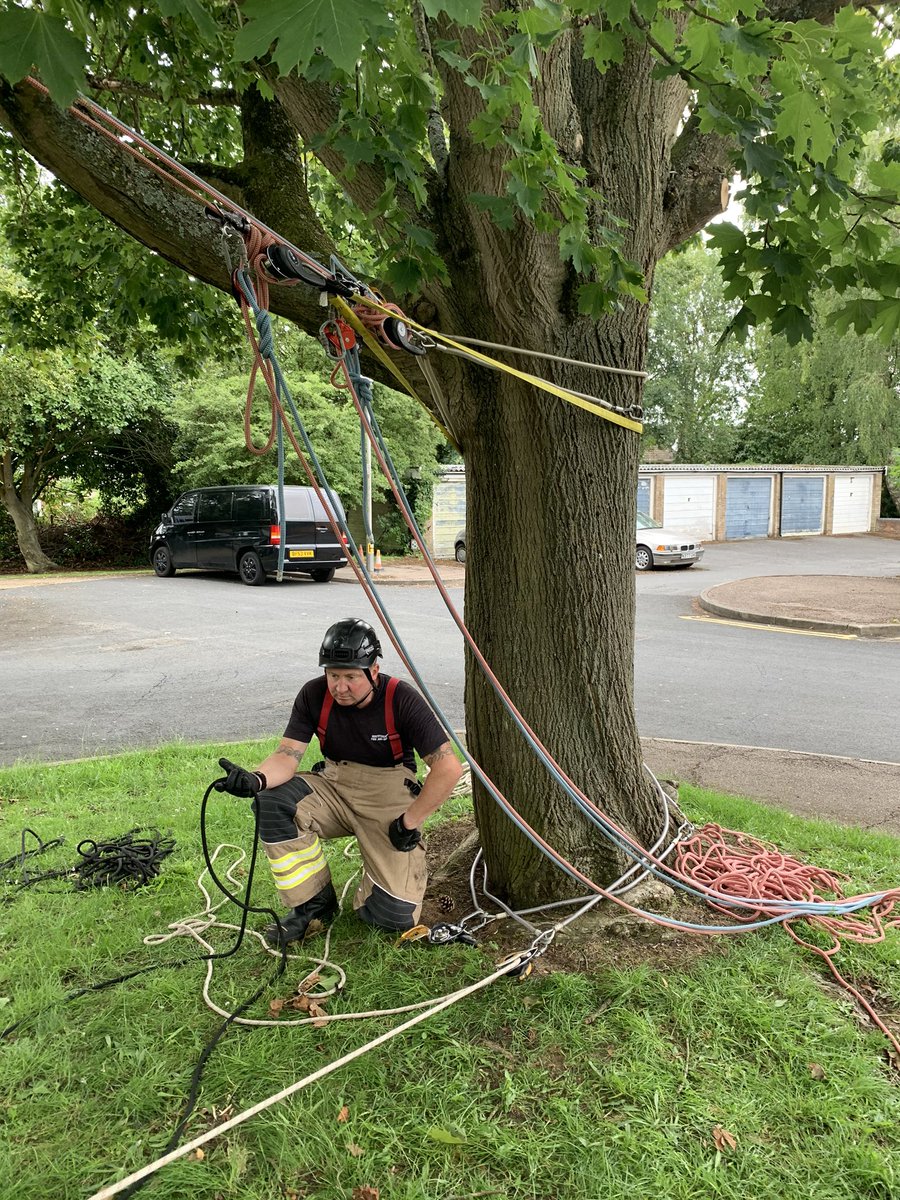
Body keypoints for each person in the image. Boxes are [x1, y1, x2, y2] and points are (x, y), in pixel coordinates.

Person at [217, 617, 463, 945]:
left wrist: (410, 822)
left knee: (388, 918)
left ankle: (379, 886)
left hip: (389, 795)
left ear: (373, 671)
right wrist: (256, 779)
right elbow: (288, 756)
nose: (340, 687)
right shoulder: (314, 695)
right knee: (272, 802)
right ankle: (313, 905)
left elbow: (448, 768)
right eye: (333, 675)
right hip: (334, 782)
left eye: (350, 677)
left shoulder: (400, 698)